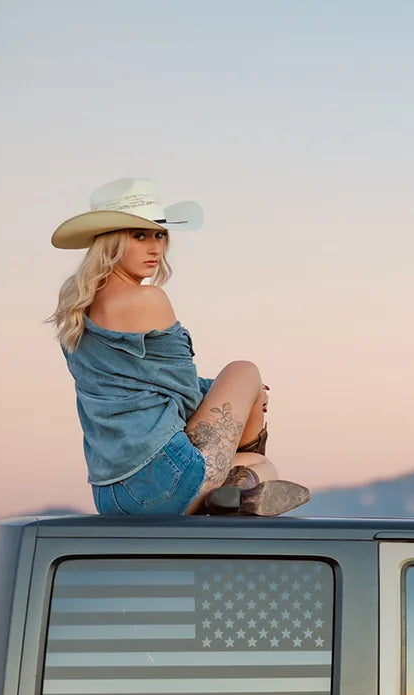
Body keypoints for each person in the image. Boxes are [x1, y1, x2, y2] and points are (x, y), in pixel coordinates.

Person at [46, 177, 309, 517]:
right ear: (110, 241)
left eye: (159, 235)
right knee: (245, 376)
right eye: (139, 236)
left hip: (111, 497)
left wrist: (222, 392)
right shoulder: (148, 299)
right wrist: (244, 395)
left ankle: (234, 493)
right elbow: (185, 395)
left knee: (259, 459)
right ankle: (237, 493)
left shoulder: (77, 313)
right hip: (165, 484)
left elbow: (149, 384)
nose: (155, 248)